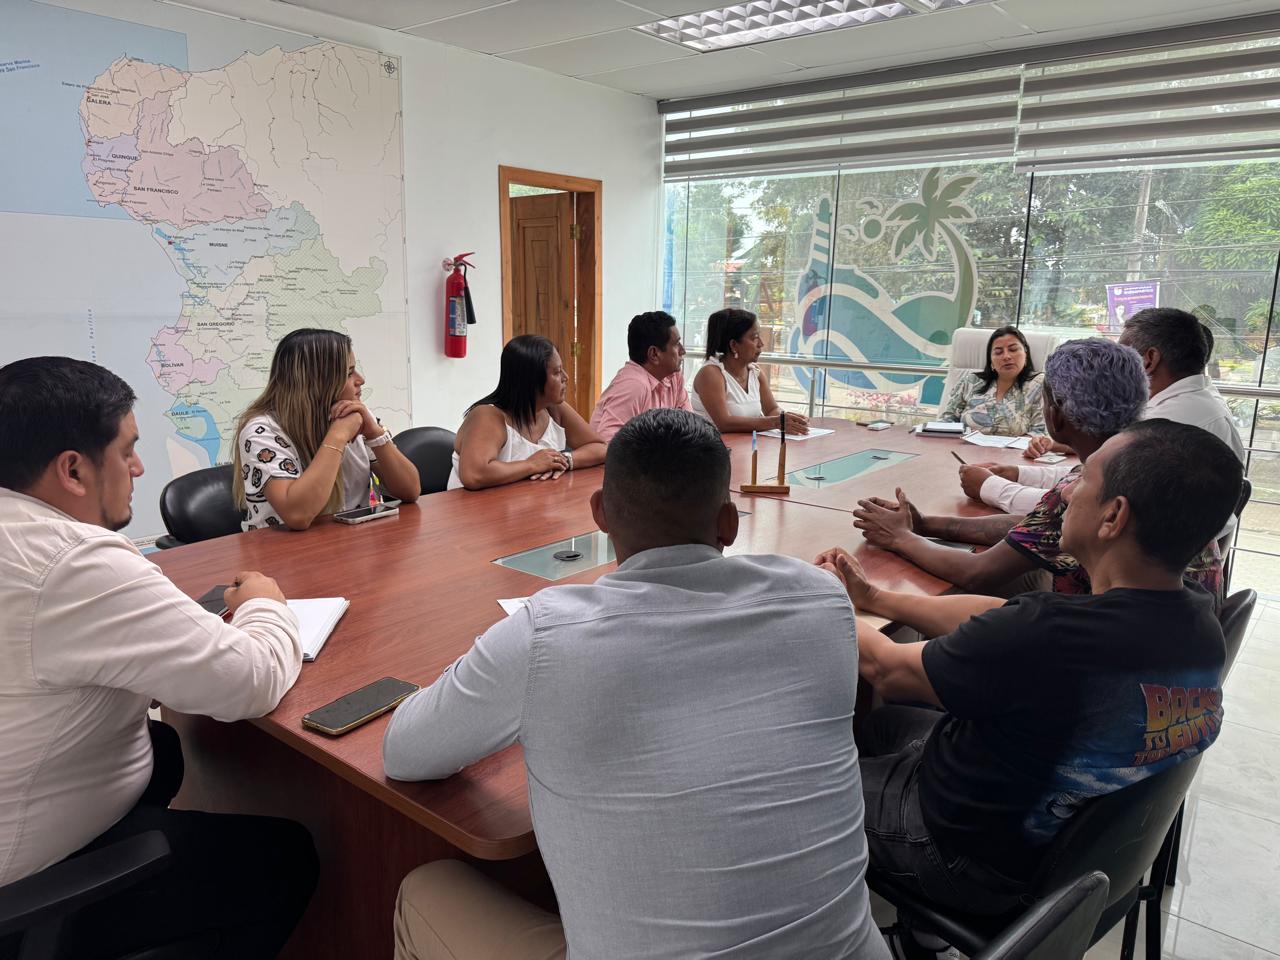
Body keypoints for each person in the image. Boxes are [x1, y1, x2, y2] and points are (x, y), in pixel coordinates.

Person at [386, 409, 890, 960]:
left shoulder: (547, 635)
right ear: (728, 523)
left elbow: (405, 752)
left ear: (600, 514)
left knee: (424, 889)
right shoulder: (822, 601)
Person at [815, 418, 1240, 915]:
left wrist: (824, 597)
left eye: (1083, 479)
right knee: (885, 724)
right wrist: (874, 597)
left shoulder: (1046, 636)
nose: (1067, 491)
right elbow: (1001, 617)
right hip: (1065, 859)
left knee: (787, 788)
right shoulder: (1197, 623)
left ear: (1113, 516)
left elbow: (887, 669)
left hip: (963, 855)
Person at [0, 357, 316, 960]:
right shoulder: (71, 561)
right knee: (284, 858)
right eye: (127, 451)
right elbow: (250, 680)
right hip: (23, 893)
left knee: (164, 751)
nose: (139, 468)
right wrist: (266, 604)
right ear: (73, 469)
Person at [852, 338, 1223, 600]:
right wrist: (925, 524)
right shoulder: (1147, 452)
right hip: (1177, 638)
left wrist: (900, 538)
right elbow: (1031, 526)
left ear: (1055, 414)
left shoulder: (1092, 484)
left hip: (1116, 656)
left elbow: (977, 573)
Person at [967, 310, 1245, 514]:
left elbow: (1079, 506)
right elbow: (1089, 475)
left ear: (1148, 360)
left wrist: (991, 488)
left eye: (1120, 353)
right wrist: (1017, 473)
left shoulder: (1166, 426)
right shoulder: (1195, 402)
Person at [233, 327, 421, 530]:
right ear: (316, 382)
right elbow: (297, 514)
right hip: (279, 547)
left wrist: (374, 434)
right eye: (349, 373)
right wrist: (338, 435)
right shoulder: (261, 431)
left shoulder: (353, 415)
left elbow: (410, 490)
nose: (360, 380)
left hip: (347, 542)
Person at [449, 335, 606, 490]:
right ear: (532, 381)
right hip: (472, 506)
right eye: (557, 372)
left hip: (528, 501)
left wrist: (563, 459)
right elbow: (474, 475)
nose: (566, 377)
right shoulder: (487, 416)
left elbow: (600, 448)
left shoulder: (554, 409)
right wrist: (532, 465)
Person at [690, 308, 809, 435]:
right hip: (715, 446)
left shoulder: (755, 372)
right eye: (755, 338)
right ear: (734, 345)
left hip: (748, 445)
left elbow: (771, 409)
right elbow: (724, 423)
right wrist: (776, 422)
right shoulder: (710, 374)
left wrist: (789, 419)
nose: (761, 344)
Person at [588, 310, 692, 441]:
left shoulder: (674, 378)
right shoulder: (633, 385)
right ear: (654, 354)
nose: (683, 351)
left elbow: (690, 427)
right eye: (676, 344)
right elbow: (609, 444)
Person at [939, 326, 1046, 436]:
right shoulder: (971, 382)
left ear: (1025, 353)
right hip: (963, 445)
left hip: (1017, 447)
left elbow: (1040, 432)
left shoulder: (1039, 384)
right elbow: (946, 421)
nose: (1006, 356)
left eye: (1013, 350)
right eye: (998, 352)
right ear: (991, 361)